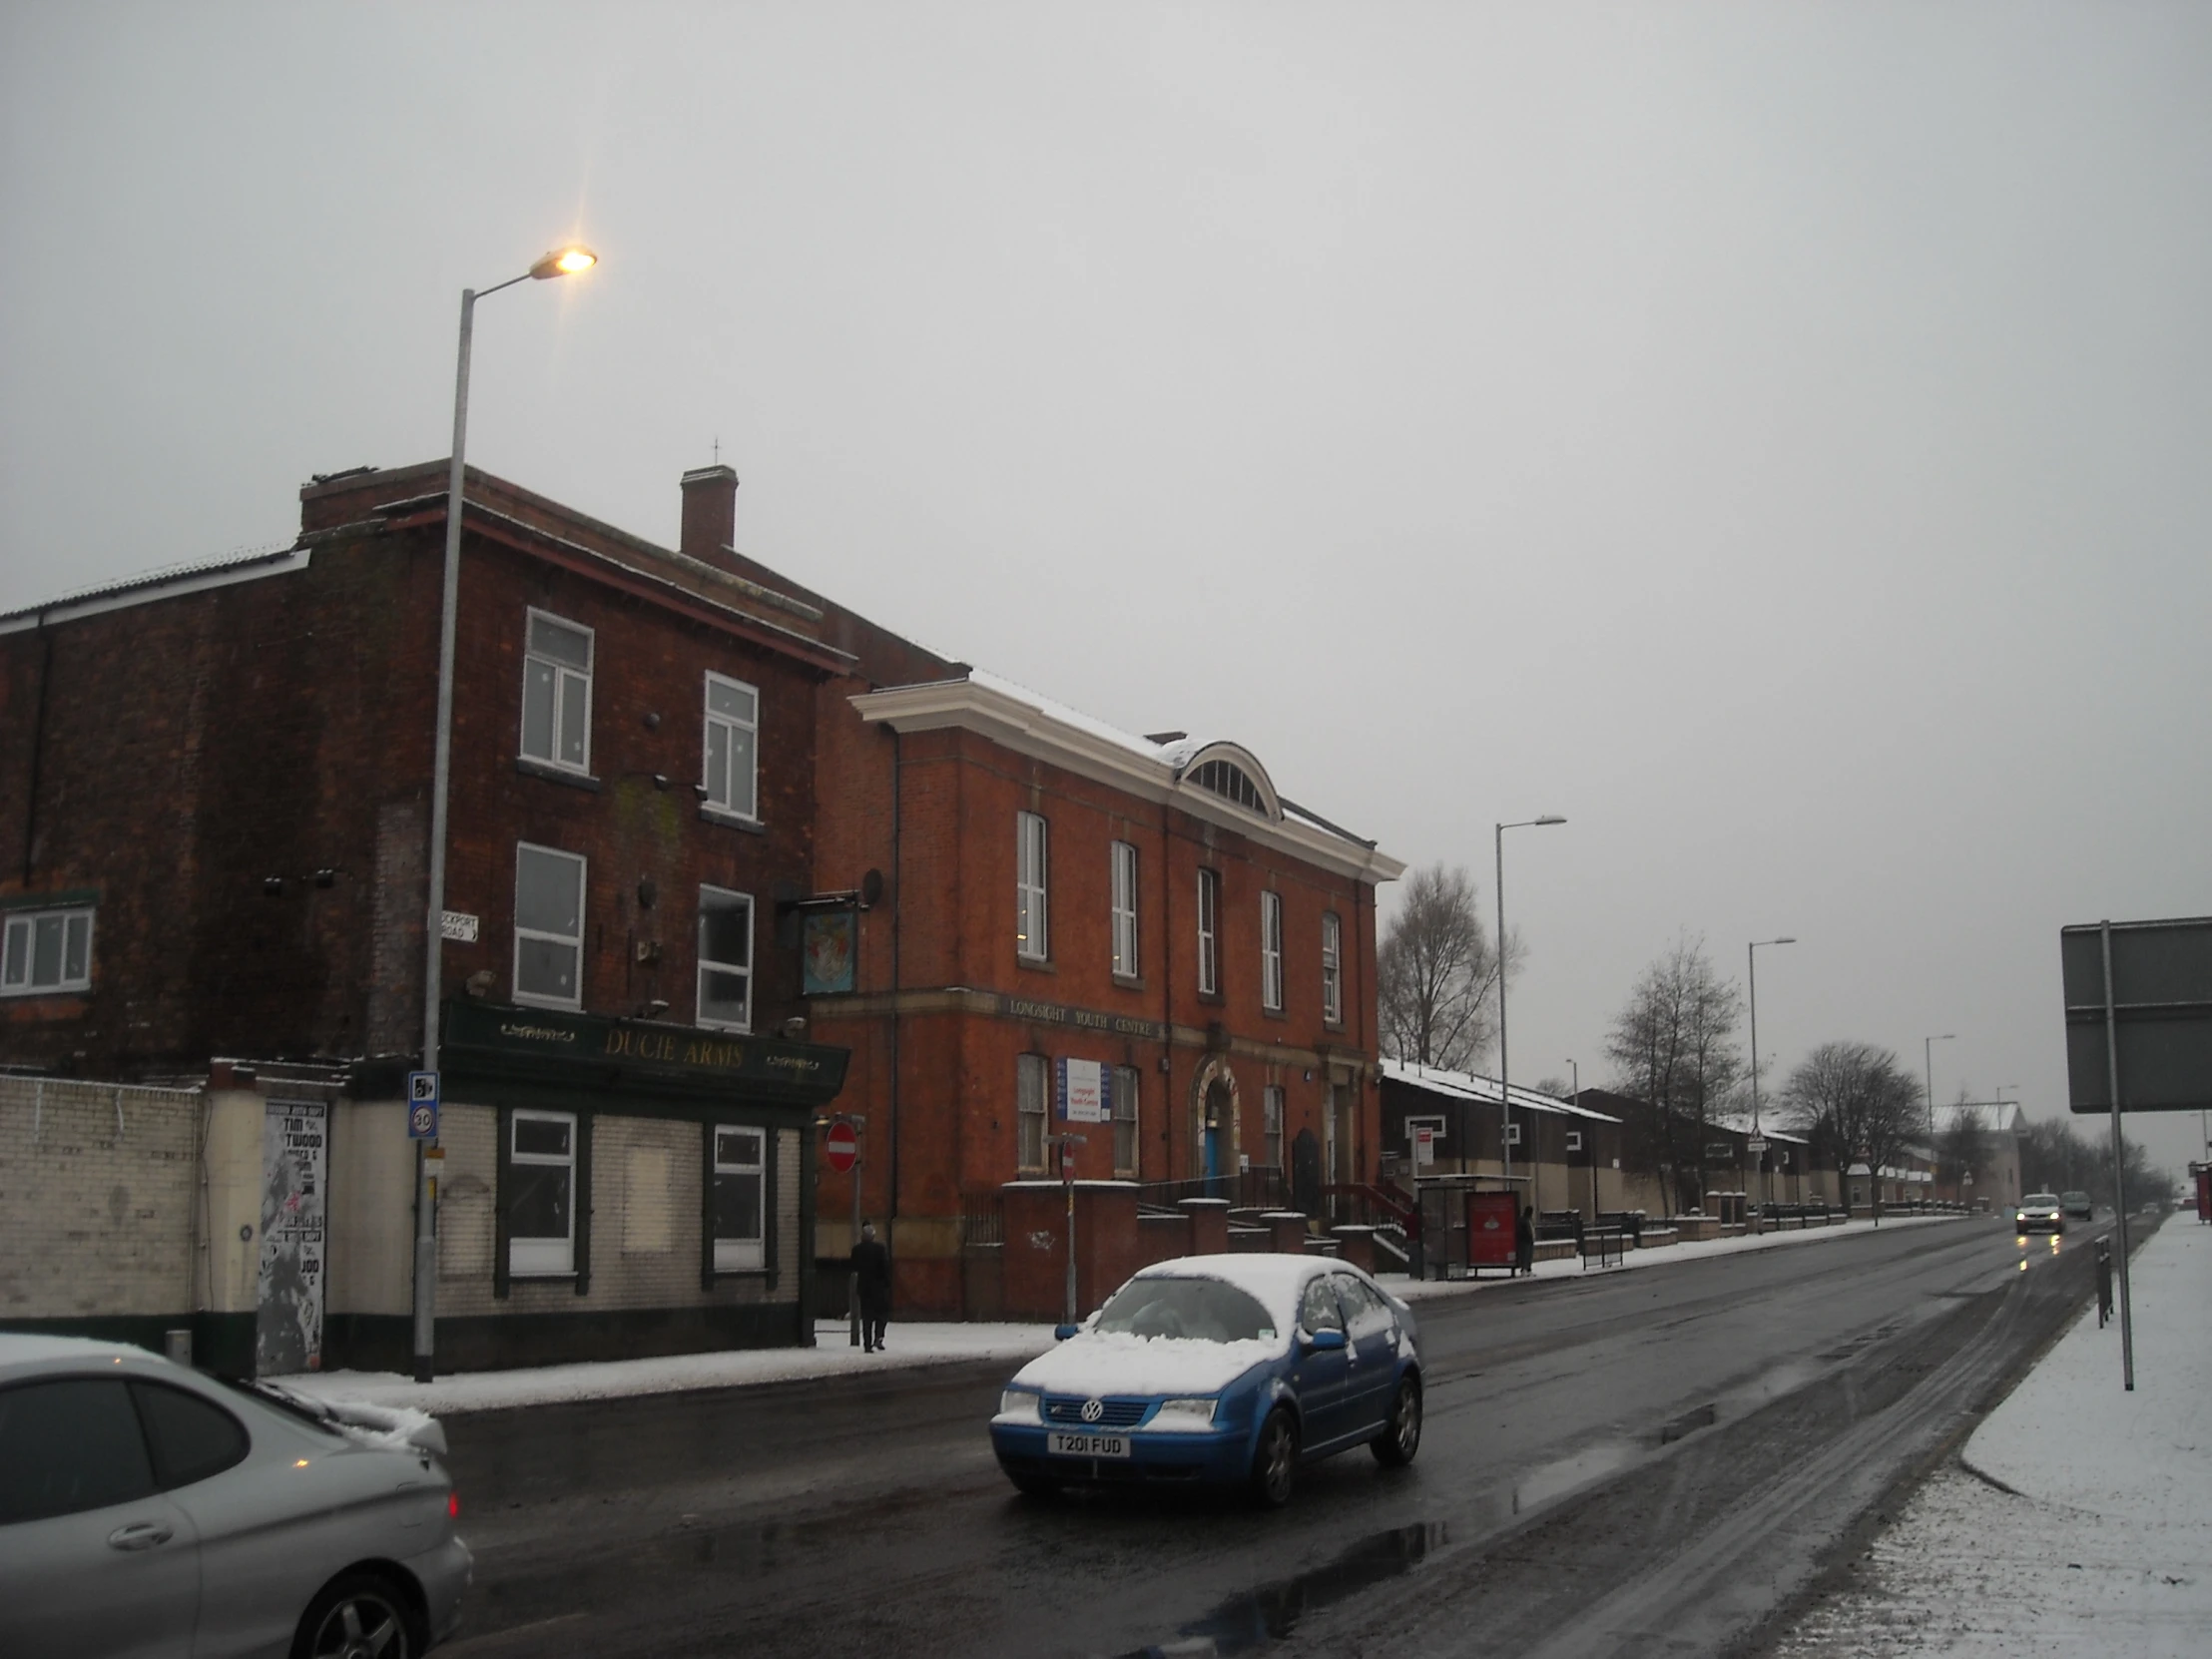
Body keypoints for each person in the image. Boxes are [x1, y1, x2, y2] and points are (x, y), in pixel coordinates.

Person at [850, 1221, 891, 1352]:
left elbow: (853, 1267)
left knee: (866, 1317)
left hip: (864, 1287)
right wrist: (887, 1282)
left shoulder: (857, 1250)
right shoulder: (880, 1249)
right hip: (879, 1287)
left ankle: (867, 1345)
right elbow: (885, 1267)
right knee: (882, 1313)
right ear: (873, 1236)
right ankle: (878, 1336)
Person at [1514, 1204, 1535, 1278]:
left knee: (1529, 1256)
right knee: (1525, 1256)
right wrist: (1527, 1236)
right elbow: (1521, 1231)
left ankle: (1528, 1269)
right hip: (1525, 1241)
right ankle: (1524, 1269)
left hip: (1530, 1240)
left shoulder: (1528, 1220)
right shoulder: (1523, 1220)